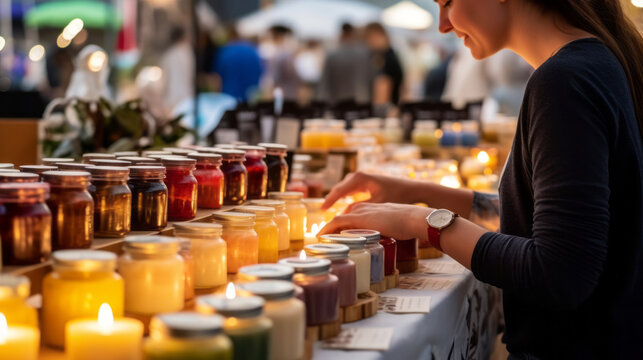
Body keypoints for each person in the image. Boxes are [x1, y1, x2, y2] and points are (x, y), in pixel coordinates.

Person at [320, 0, 643, 358]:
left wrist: (421, 221)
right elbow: (544, 222)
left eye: (447, 3)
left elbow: (560, 272)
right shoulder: (595, 64)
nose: (442, 24)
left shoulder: (565, 81)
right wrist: (417, 192)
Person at [317, 23, 371, 104]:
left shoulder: (333, 55)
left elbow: (325, 81)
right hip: (362, 100)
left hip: (338, 101)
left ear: (341, 34)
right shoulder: (365, 53)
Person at [213, 26, 263, 102]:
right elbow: (260, 72)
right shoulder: (252, 50)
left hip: (229, 96)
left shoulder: (225, 51)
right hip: (252, 96)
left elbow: (217, 77)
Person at [363, 23, 404, 107]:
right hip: (391, 107)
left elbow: (381, 97)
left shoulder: (386, 58)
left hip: (386, 110)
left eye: (369, 38)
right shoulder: (390, 55)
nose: (368, 43)